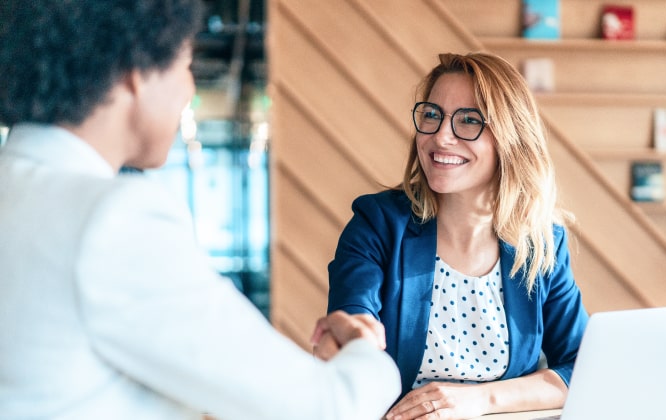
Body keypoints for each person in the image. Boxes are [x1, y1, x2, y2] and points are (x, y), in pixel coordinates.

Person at [0, 1, 400, 419]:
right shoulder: (111, 220)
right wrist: (366, 351)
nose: (189, 88)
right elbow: (328, 407)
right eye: (186, 63)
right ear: (136, 72)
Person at [327, 52, 589, 420]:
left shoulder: (541, 242)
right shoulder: (377, 223)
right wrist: (355, 340)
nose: (441, 137)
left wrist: (481, 400)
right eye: (432, 115)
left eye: (469, 121)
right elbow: (354, 338)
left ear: (510, 138)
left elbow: (582, 366)